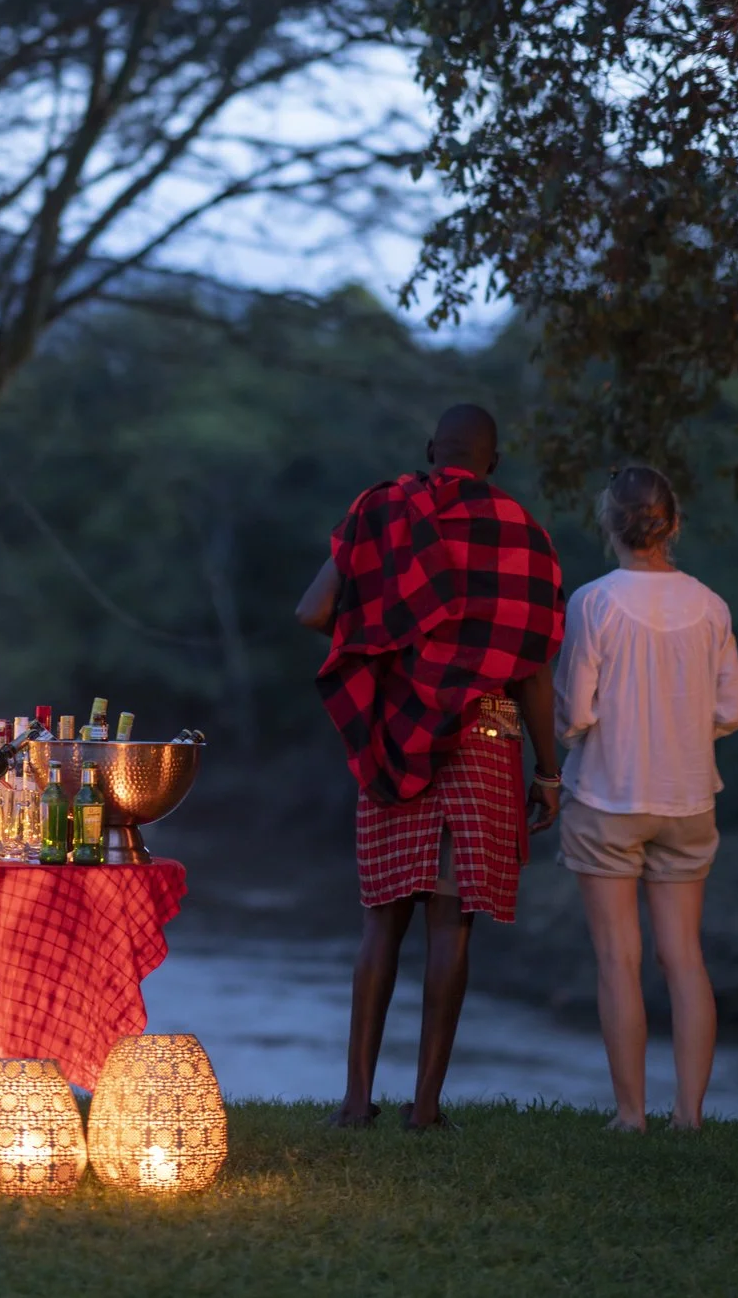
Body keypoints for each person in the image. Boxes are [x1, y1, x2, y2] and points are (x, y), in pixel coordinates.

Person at [297, 403, 564, 1130]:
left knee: (380, 920)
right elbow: (534, 668)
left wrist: (391, 627)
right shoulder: (524, 534)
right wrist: (548, 771)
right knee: (452, 923)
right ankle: (425, 1108)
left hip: (399, 733)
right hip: (484, 738)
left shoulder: (382, 510)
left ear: (429, 450)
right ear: (494, 461)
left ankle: (356, 1103)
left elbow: (313, 611)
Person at [556, 464, 738, 1132]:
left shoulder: (593, 602)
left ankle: (630, 1115)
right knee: (685, 958)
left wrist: (577, 734)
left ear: (609, 522)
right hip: (689, 799)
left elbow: (575, 711)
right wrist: (687, 730)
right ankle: (689, 1115)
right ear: (672, 524)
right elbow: (735, 707)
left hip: (607, 797)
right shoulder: (710, 604)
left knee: (619, 957)